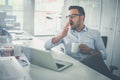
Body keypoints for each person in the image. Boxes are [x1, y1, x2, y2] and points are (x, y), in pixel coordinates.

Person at [44, 5, 117, 79]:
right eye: (68, 16)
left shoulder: (95, 33)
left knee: (93, 59)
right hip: (71, 69)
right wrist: (61, 35)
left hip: (90, 69)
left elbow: (104, 55)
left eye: (72, 16)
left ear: (82, 18)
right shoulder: (64, 33)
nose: (69, 19)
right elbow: (47, 45)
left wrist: (90, 51)